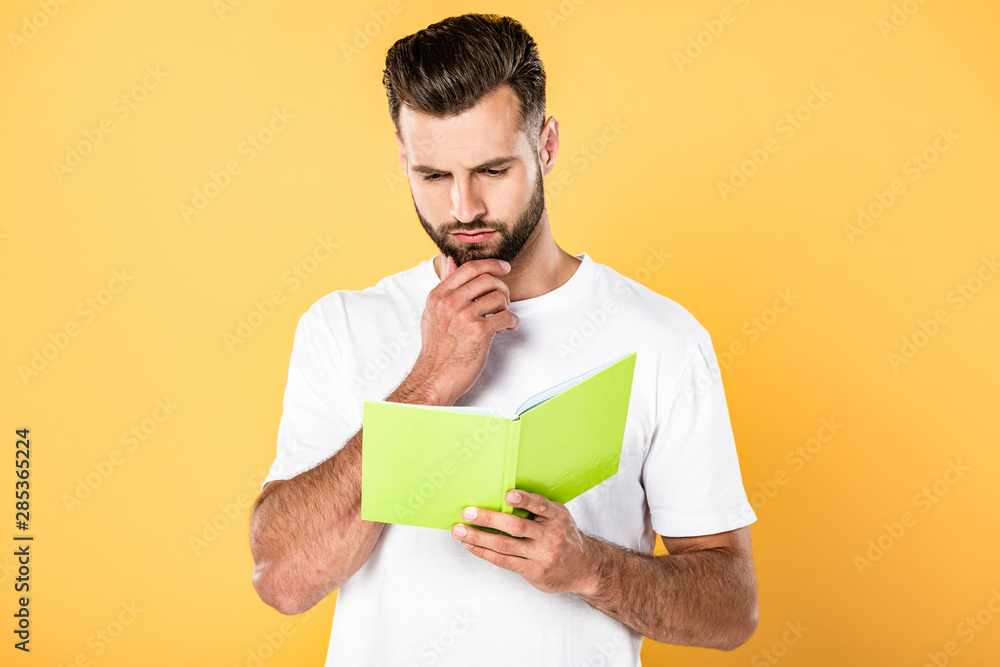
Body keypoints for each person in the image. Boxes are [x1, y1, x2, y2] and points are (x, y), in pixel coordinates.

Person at [249, 13, 758, 666]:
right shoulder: (344, 326)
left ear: (545, 145)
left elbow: (731, 608)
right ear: (404, 157)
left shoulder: (661, 338)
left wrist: (588, 568)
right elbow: (284, 580)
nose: (462, 207)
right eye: (432, 176)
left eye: (492, 169)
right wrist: (427, 381)